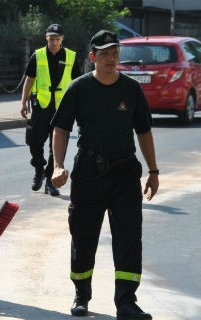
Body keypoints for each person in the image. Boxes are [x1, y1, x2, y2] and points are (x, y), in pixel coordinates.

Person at [50, 30, 158, 320]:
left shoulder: (132, 89)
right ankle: (81, 295)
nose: (111, 58)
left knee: (129, 238)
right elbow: (60, 129)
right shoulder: (79, 88)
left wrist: (154, 170)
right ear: (92, 57)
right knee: (83, 236)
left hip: (124, 173)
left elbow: (144, 131)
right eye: (105, 54)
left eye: (115, 53)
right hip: (88, 173)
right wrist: (58, 165)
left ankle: (126, 303)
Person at [20, 23, 81, 196]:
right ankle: (39, 168)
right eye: (51, 38)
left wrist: (78, 106)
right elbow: (29, 79)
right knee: (34, 141)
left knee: (58, 147)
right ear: (46, 37)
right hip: (41, 105)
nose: (54, 42)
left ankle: (50, 181)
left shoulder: (70, 56)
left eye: (57, 39)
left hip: (62, 108)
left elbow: (78, 83)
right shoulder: (38, 55)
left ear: (62, 39)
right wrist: (23, 102)